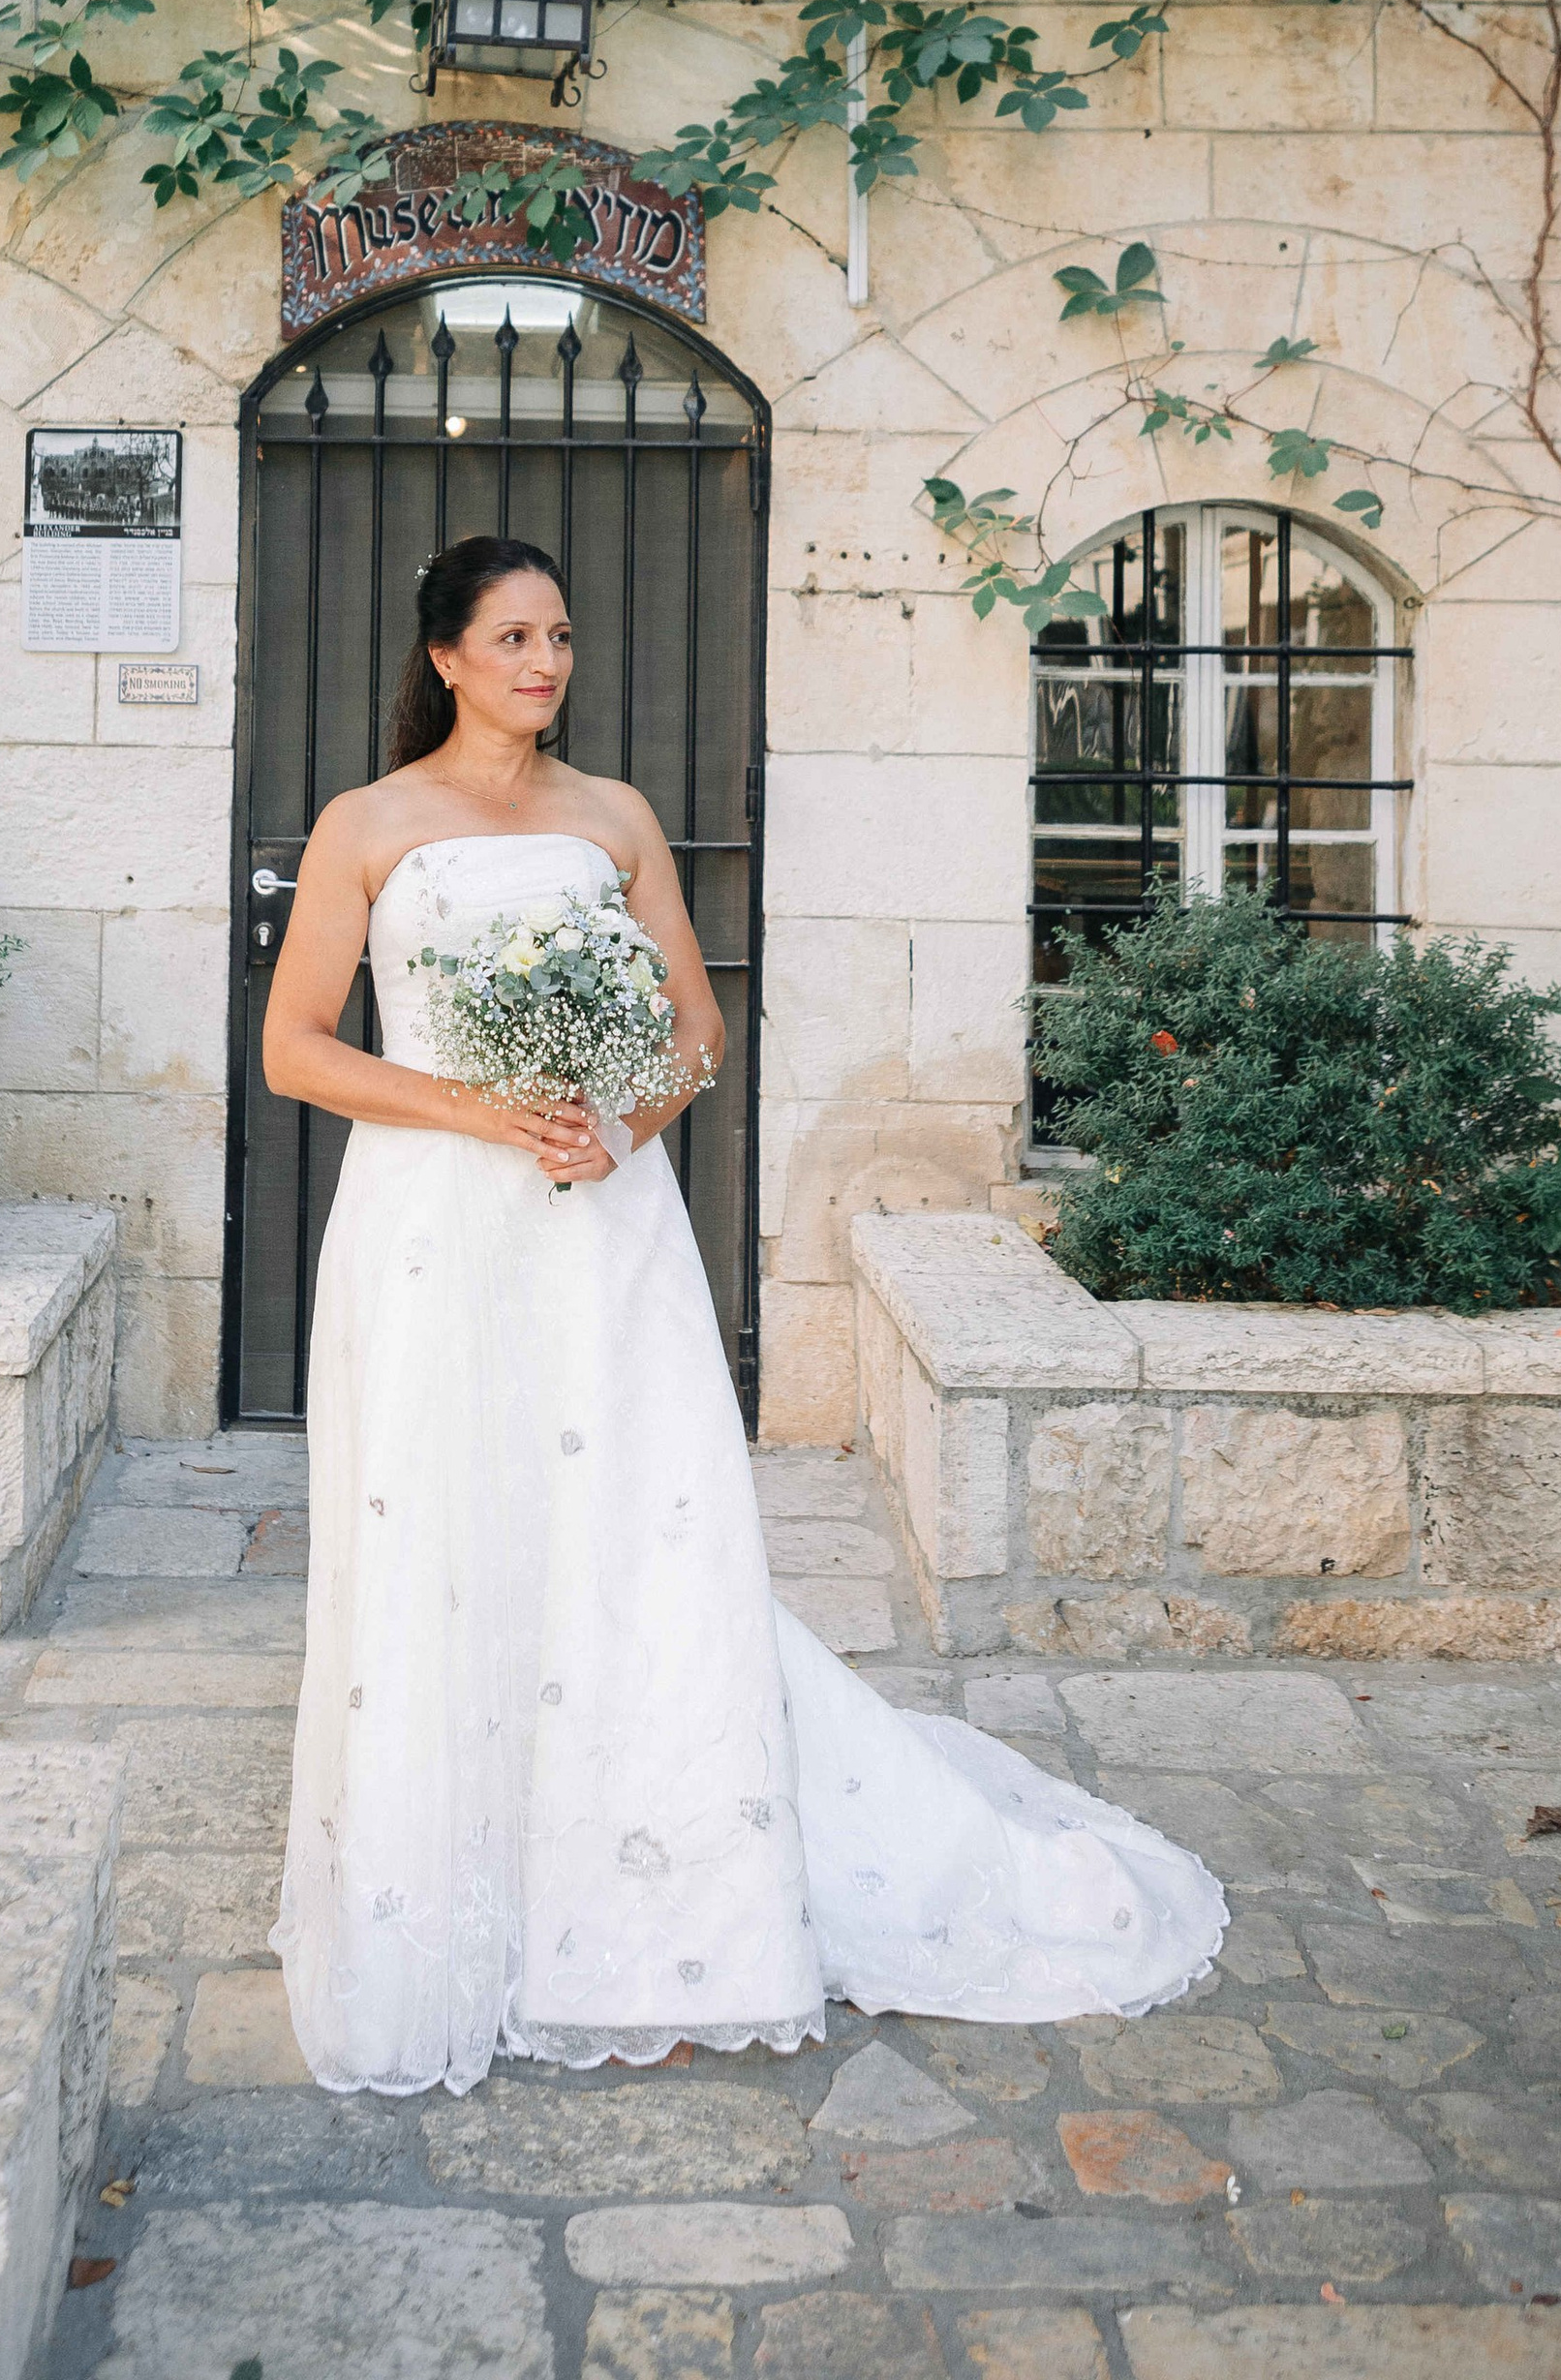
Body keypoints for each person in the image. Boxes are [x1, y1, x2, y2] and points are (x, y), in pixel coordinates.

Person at [264, 531, 1225, 2098]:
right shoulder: (367, 823)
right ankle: (448, 1897)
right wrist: (482, 1107)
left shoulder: (613, 816)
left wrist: (619, 1123)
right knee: (446, 1528)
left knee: (635, 1540)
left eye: (560, 635)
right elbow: (296, 1046)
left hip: (600, 1219)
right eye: (513, 638)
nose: (545, 662)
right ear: (444, 657)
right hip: (432, 1227)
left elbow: (697, 1029)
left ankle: (667, 1920)